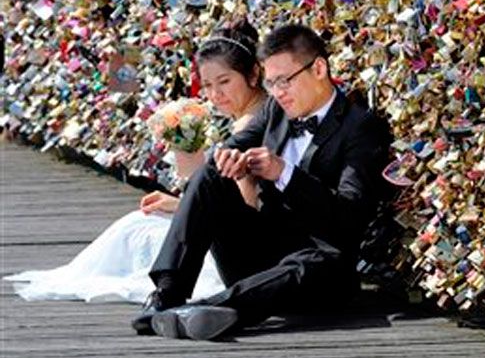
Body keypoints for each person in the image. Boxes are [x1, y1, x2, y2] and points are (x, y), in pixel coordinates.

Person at [132, 23, 392, 341]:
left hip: (317, 269)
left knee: (318, 261)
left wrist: (285, 173)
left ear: (319, 68)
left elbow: (350, 218)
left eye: (285, 81)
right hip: (258, 252)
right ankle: (167, 296)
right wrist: (228, 156)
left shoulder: (360, 127)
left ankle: (209, 310)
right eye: (271, 84)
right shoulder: (275, 109)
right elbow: (238, 141)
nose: (279, 92)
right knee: (211, 172)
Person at [4, 18, 267, 304]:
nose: (216, 95)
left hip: (240, 246)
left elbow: (246, 207)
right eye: (207, 86)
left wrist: (183, 206)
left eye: (225, 82)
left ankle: (168, 288)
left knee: (137, 228)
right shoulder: (256, 113)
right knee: (141, 224)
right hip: (238, 229)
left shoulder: (247, 126)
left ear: (253, 75)